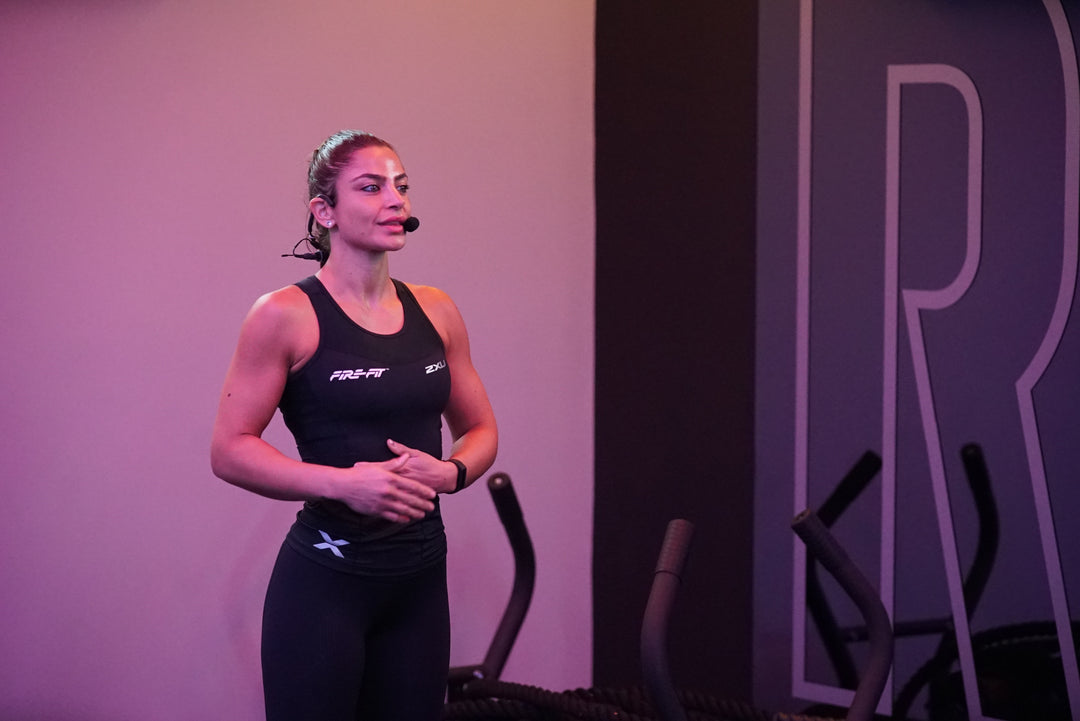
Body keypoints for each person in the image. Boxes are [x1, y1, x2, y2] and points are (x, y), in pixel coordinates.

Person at [210, 129, 498, 720]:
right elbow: (229, 450)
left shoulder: (435, 309)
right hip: (327, 583)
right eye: (371, 188)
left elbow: (482, 430)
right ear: (325, 211)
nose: (396, 200)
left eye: (401, 186)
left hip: (419, 579)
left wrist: (450, 472)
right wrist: (345, 484)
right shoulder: (284, 316)